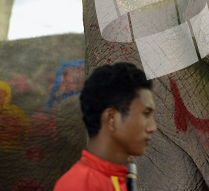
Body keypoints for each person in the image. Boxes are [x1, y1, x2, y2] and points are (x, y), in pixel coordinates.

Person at [54, 62, 156, 191]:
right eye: (145, 114)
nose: (153, 127)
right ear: (112, 119)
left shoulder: (117, 179)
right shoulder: (79, 185)